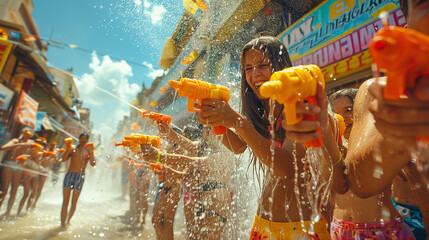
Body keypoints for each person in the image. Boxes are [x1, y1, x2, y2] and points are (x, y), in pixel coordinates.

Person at [196, 36, 344, 239]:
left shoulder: (302, 105)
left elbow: (285, 169)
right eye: (248, 68)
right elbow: (240, 148)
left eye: (263, 65)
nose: (255, 74)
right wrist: (215, 120)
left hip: (303, 228)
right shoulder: (265, 112)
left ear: (281, 66)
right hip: (263, 225)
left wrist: (238, 122)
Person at [344, 0, 429, 238]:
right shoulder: (377, 91)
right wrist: (395, 133)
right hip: (409, 219)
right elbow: (359, 182)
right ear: (408, 25)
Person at [157, 122, 235, 239]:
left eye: (211, 128)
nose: (207, 132)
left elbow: (194, 161)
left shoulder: (226, 149)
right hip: (202, 197)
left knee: (211, 237)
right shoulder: (204, 147)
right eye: (205, 128)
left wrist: (159, 157)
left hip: (217, 199)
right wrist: (171, 133)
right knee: (197, 236)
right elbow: (188, 144)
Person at [60, 133, 95, 228]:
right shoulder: (73, 148)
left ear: (87, 140)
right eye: (82, 138)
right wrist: (67, 149)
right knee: (65, 201)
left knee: (74, 202)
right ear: (79, 139)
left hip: (80, 176)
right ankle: (62, 223)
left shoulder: (88, 150)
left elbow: (93, 164)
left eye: (85, 139)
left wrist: (91, 153)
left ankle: (68, 220)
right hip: (70, 174)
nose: (83, 140)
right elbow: (63, 160)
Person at [0, 129, 34, 217]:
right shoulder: (15, 140)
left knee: (14, 191)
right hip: (9, 164)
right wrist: (19, 144)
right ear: (21, 134)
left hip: (18, 167)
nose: (26, 137)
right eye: (25, 134)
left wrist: (25, 156)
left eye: (29, 135)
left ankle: (7, 213)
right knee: (4, 190)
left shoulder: (30, 143)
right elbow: (3, 148)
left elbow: (33, 154)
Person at [31, 141, 58, 211]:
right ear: (49, 145)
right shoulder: (44, 151)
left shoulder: (53, 154)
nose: (53, 146)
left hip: (45, 171)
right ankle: (30, 202)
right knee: (34, 188)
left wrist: (54, 156)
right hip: (39, 170)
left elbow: (56, 162)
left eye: (54, 145)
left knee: (40, 188)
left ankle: (34, 203)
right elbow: (40, 159)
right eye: (52, 145)